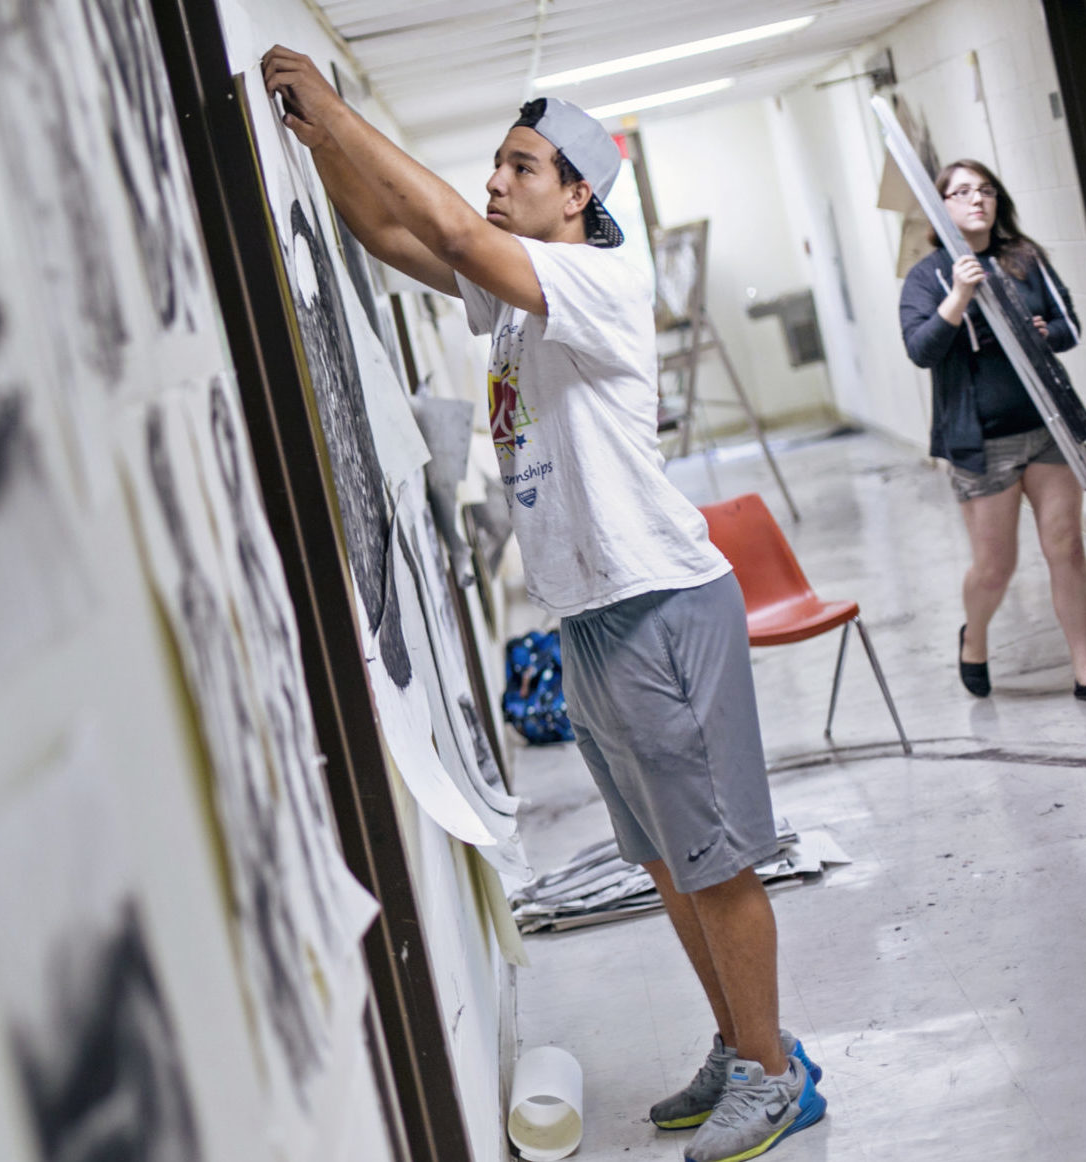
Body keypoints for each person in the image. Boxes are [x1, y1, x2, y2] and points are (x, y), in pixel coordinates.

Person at [261, 46, 826, 1162]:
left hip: (661, 602)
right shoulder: (519, 303)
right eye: (497, 162)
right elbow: (394, 238)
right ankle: (737, 1041)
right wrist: (319, 144)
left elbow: (463, 236)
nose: (497, 181)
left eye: (522, 166)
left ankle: (776, 1073)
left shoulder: (596, 279)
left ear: (579, 194)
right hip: (589, 614)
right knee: (665, 861)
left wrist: (334, 102)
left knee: (713, 856)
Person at [899, 159, 1086, 703]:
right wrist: (959, 296)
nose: (977, 199)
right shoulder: (929, 276)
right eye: (962, 191)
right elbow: (921, 350)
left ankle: (1085, 669)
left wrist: (1047, 331)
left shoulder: (1023, 259)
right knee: (996, 566)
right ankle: (976, 638)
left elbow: (1068, 324)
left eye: (986, 190)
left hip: (1046, 428)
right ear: (940, 206)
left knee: (1065, 547)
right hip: (981, 441)